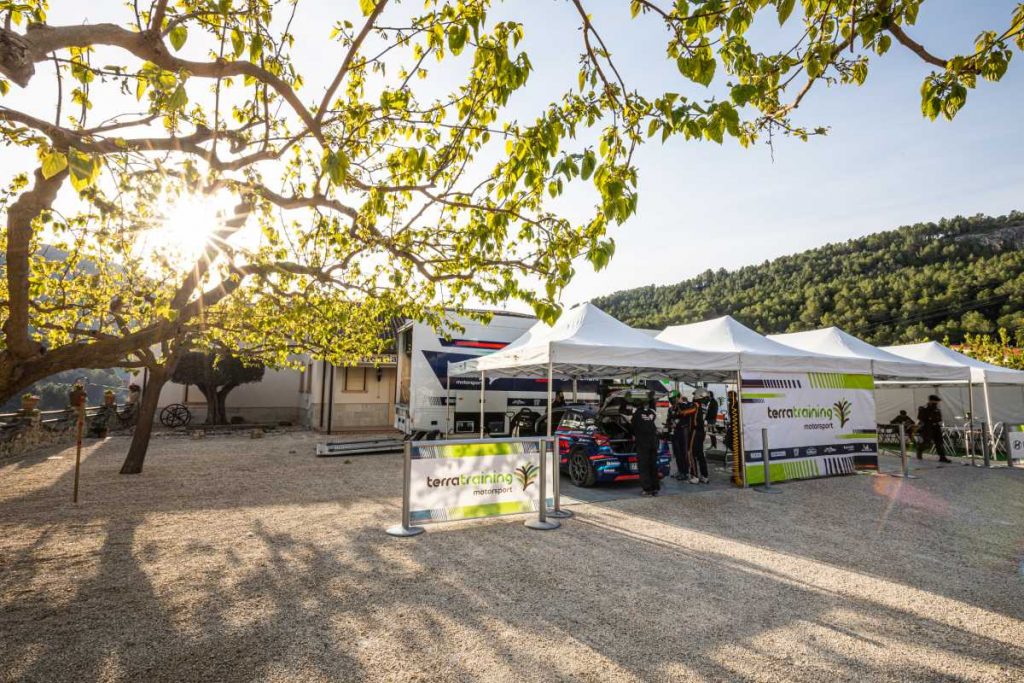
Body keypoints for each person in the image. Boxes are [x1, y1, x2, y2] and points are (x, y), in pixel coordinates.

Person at [631, 397, 661, 496]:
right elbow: (655, 424)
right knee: (653, 465)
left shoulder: (636, 414)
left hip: (642, 443)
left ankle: (647, 489)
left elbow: (632, 427)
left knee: (644, 466)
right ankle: (655, 488)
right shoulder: (652, 413)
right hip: (653, 443)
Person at [670, 393, 699, 483]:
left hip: (684, 431)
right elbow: (671, 418)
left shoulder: (685, 405)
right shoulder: (671, 408)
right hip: (675, 431)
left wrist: (681, 404)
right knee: (677, 453)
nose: (672, 401)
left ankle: (685, 472)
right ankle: (680, 470)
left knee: (684, 452)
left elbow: (689, 409)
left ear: (678, 398)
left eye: (674, 399)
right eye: (671, 399)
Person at [916, 395, 951, 463]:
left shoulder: (937, 409)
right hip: (928, 427)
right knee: (926, 442)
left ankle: (942, 457)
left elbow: (939, 418)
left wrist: (934, 419)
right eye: (936, 401)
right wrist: (930, 417)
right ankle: (919, 451)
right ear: (931, 401)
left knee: (939, 442)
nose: (937, 402)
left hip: (936, 427)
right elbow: (921, 417)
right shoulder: (924, 408)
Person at [690, 390, 710, 483]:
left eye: (694, 395)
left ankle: (694, 476)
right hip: (701, 431)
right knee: (700, 454)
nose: (693, 397)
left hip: (695, 431)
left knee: (691, 453)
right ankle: (704, 476)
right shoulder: (704, 405)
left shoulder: (696, 405)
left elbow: (687, 414)